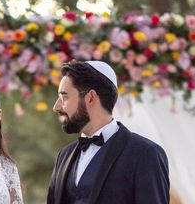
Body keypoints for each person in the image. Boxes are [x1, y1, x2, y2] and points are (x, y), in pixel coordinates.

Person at [48, 60, 170, 204]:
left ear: (91, 97)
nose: (56, 106)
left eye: (64, 97)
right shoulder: (64, 155)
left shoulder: (146, 153)